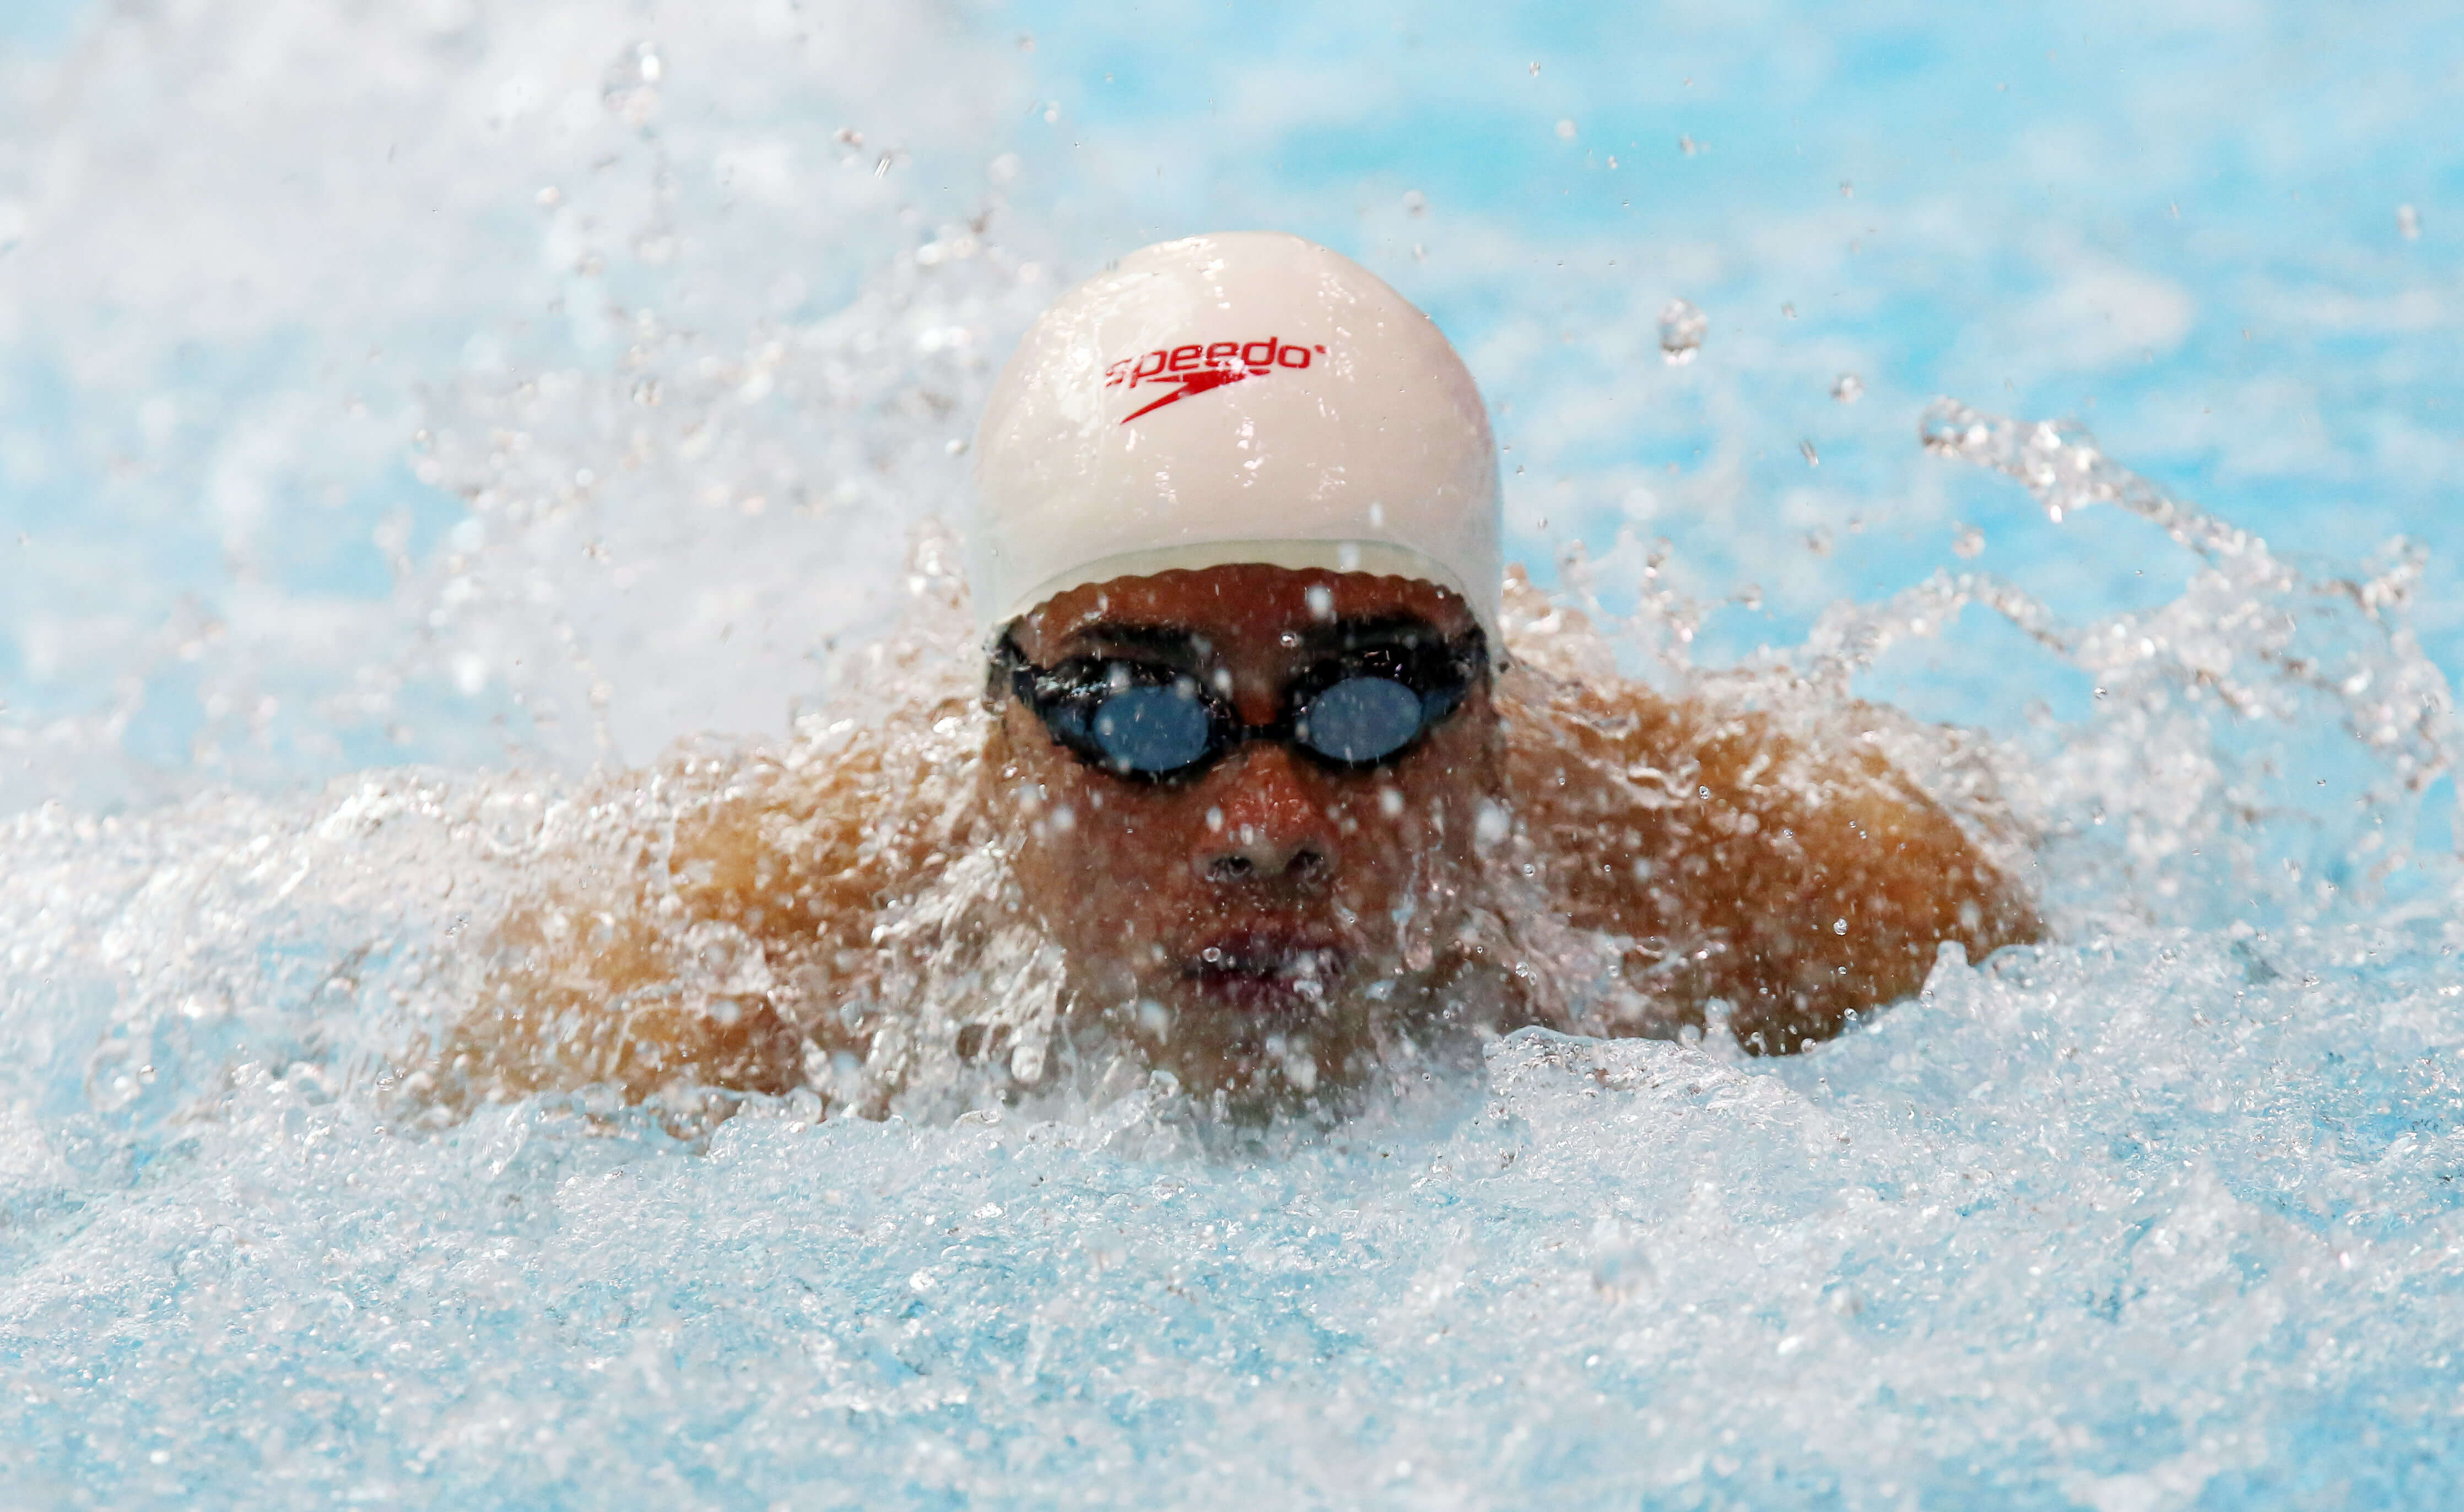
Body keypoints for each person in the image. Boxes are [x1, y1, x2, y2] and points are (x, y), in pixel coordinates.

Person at [429, 232, 2037, 1125]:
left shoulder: (1798, 894)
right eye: (1140, 718)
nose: (1264, 824)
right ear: (997, 732)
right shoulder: (706, 984)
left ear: (1492, 720)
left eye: (1370, 704)